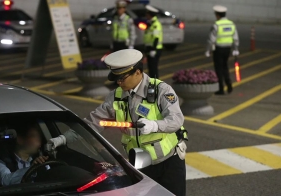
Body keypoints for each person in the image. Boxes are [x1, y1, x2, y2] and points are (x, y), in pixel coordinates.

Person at [84, 49, 188, 196]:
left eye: (122, 78)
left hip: (168, 161)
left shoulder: (161, 90)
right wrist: (63, 138)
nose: (119, 83)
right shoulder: (116, 96)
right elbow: (93, 121)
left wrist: (155, 125)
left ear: (138, 72)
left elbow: (176, 119)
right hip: (139, 164)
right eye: (116, 79)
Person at [205, 5, 239, 95]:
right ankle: (229, 85)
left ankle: (220, 89)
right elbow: (235, 38)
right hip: (227, 49)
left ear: (217, 15)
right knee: (225, 67)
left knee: (218, 69)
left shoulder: (216, 25)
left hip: (218, 50)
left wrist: (208, 51)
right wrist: (235, 49)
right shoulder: (231, 24)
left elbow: (211, 40)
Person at [144, 5, 163, 78]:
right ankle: (153, 84)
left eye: (147, 14)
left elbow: (156, 38)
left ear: (150, 15)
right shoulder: (150, 23)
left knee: (153, 69)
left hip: (155, 49)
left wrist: (153, 49)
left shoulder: (155, 24)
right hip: (150, 49)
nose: (146, 15)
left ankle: (156, 85)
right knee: (151, 69)